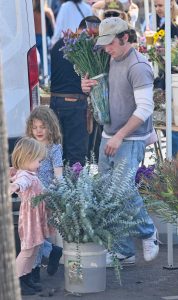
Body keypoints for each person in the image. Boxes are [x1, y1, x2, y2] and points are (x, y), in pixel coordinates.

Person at [81, 17, 159, 265]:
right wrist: (85, 85)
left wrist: (119, 135)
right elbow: (95, 85)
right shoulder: (110, 58)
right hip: (109, 135)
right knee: (108, 194)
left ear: (125, 38)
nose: (106, 49)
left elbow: (146, 108)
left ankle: (149, 232)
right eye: (103, 44)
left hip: (129, 137)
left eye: (110, 43)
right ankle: (123, 251)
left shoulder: (139, 66)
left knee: (123, 191)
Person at [50, 16, 100, 166]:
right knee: (76, 154)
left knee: (57, 151)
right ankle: (74, 188)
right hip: (76, 105)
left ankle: (59, 186)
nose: (95, 38)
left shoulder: (59, 44)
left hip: (55, 102)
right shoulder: (86, 47)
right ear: (89, 30)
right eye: (95, 34)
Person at [10, 137, 55, 296]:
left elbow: (42, 190)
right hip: (30, 219)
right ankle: (16, 280)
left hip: (37, 218)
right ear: (27, 157)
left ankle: (26, 278)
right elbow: (21, 183)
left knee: (34, 249)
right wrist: (13, 187)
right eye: (38, 160)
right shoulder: (25, 176)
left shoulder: (30, 173)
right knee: (28, 251)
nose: (40, 164)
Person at [26, 106, 63, 283]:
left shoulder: (54, 148)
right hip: (30, 196)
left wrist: (52, 192)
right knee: (33, 233)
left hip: (45, 196)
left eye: (43, 126)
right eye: (35, 127)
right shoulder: (29, 147)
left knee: (37, 233)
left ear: (51, 127)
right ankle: (51, 251)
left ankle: (34, 272)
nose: (39, 131)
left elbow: (59, 176)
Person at [153, 0, 178, 158]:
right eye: (155, 5)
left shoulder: (172, 27)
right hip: (166, 79)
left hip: (172, 81)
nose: (157, 9)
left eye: (160, 5)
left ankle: (174, 162)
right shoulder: (165, 26)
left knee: (172, 123)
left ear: (170, 5)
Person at [33, 0, 55, 78]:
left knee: (33, 60)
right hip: (43, 37)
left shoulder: (33, 11)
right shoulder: (47, 12)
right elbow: (53, 27)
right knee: (46, 60)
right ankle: (47, 78)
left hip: (34, 37)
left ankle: (37, 77)